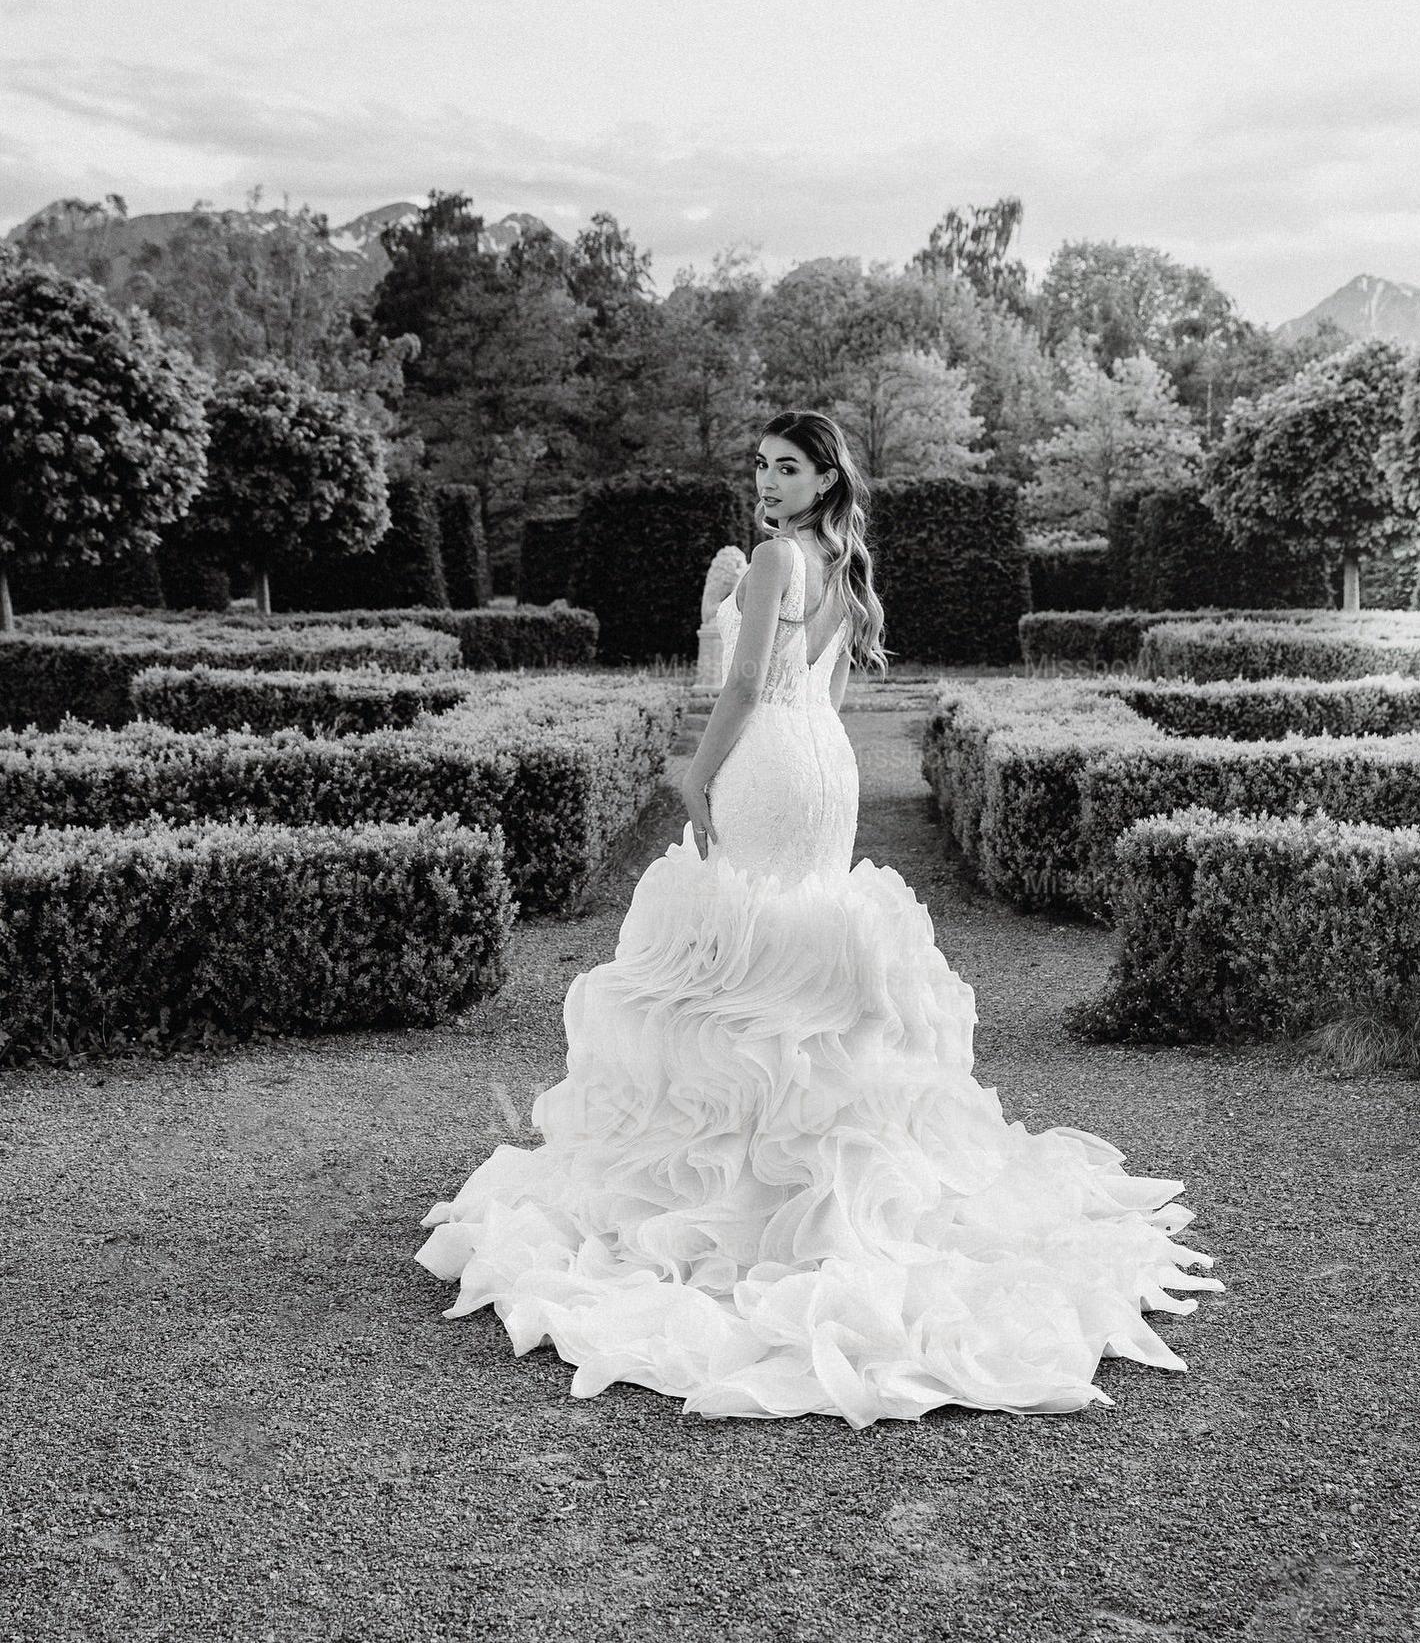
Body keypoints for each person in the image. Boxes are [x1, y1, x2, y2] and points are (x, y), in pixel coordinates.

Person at [415, 409, 1224, 1429]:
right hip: (819, 767)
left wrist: (696, 774)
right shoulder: (841, 560)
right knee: (797, 958)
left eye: (786, 466)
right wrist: (720, 610)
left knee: (743, 963)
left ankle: (751, 1185)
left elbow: (745, 686)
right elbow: (817, 693)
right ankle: (802, 1168)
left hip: (763, 766)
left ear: (824, 476)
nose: (765, 479)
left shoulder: (772, 557)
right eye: (759, 464)